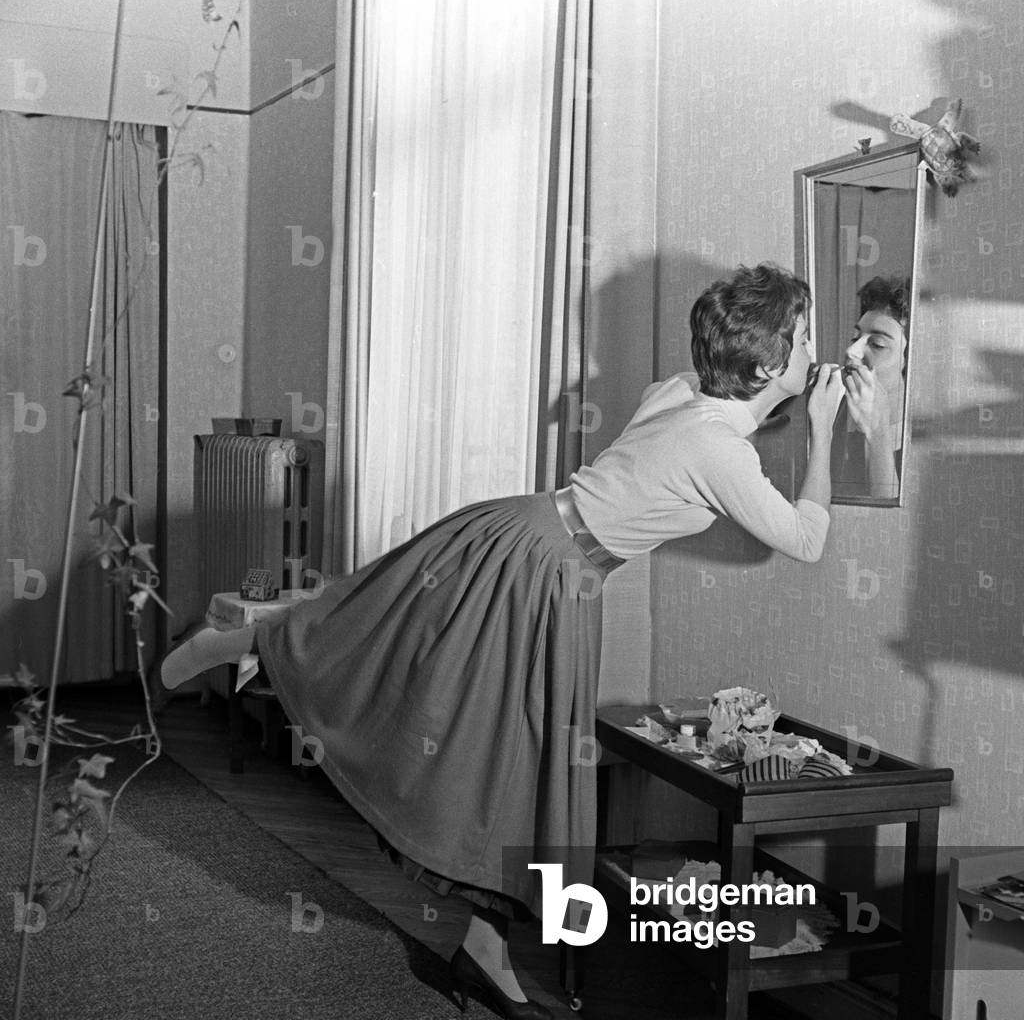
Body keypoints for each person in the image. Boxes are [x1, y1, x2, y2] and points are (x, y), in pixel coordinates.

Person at [161, 262, 845, 1019]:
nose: (816, 347)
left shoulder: (681, 393)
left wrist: (789, 403)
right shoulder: (719, 449)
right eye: (805, 336)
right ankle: (249, 640)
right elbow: (805, 538)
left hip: (539, 552)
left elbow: (732, 424)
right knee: (408, 670)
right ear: (771, 362)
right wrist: (824, 429)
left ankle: (483, 954)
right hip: (542, 570)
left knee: (515, 761)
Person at [833, 275, 910, 499]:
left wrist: (878, 432)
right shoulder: (835, 421)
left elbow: (890, 522)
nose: (852, 352)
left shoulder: (929, 447)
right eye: (855, 338)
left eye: (876, 344)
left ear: (911, 358)